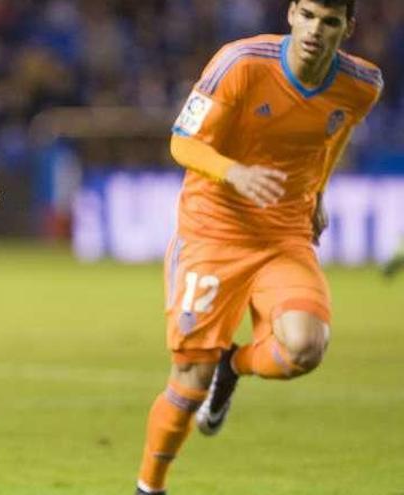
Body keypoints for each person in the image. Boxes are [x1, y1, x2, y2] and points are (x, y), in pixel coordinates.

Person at [134, 1, 381, 493]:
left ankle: (234, 364)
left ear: (346, 29)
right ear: (291, 13)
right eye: (308, 14)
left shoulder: (362, 84)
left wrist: (319, 194)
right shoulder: (241, 63)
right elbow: (183, 143)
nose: (315, 29)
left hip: (284, 233)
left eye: (330, 22)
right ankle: (149, 486)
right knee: (188, 378)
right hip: (213, 229)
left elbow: (334, 136)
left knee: (306, 349)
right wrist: (235, 172)